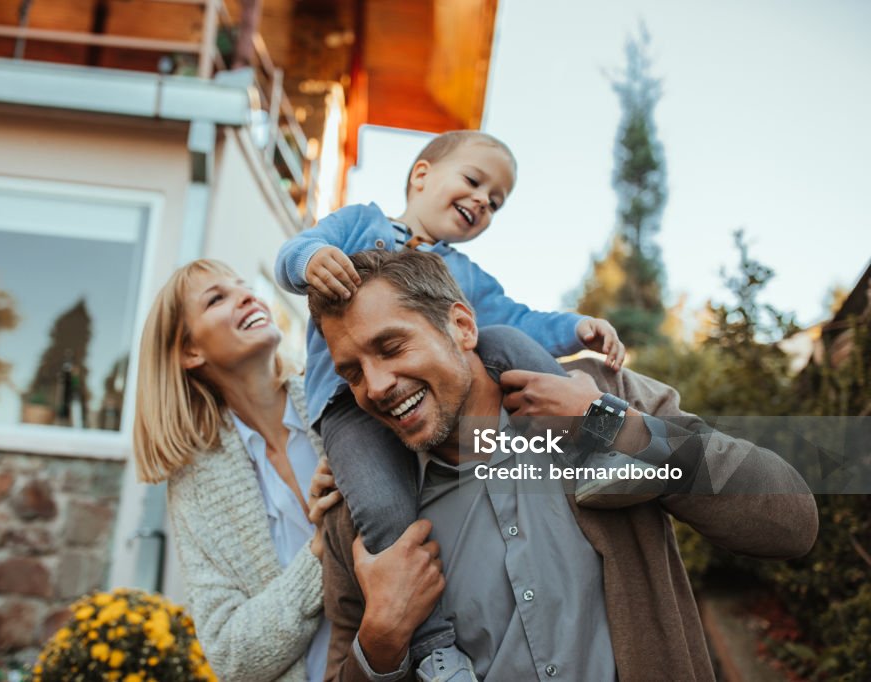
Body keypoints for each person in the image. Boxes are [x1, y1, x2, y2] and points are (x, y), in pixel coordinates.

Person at [309, 249, 819, 682]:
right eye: (352, 372)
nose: (375, 386)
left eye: (392, 347)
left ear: (461, 326)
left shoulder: (603, 396)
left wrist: (613, 427)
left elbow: (789, 522)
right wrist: (380, 641)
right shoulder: (357, 517)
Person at [275, 130, 628, 679]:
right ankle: (435, 645)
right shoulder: (358, 223)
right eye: (474, 180)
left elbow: (522, 320)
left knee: (507, 344)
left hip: (466, 395)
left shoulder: (465, 277)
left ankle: (592, 446)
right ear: (421, 175)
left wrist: (575, 327)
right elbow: (295, 249)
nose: (484, 200)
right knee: (385, 508)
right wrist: (313, 259)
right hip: (349, 407)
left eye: (497, 200)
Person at [132, 259, 343, 682]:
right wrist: (320, 550)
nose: (247, 296)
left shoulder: (336, 406)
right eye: (217, 298)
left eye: (243, 286)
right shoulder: (197, 485)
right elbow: (230, 656)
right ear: (191, 351)